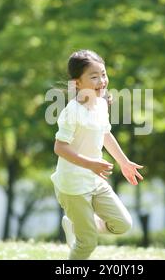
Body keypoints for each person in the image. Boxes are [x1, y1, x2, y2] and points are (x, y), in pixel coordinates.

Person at [51, 49, 144, 260]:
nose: (102, 80)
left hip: (94, 180)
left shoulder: (101, 104)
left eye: (103, 74)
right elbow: (60, 147)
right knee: (88, 242)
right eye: (94, 76)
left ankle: (76, 225)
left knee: (122, 224)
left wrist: (124, 162)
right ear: (77, 83)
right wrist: (90, 164)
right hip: (73, 186)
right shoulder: (72, 111)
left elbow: (105, 134)